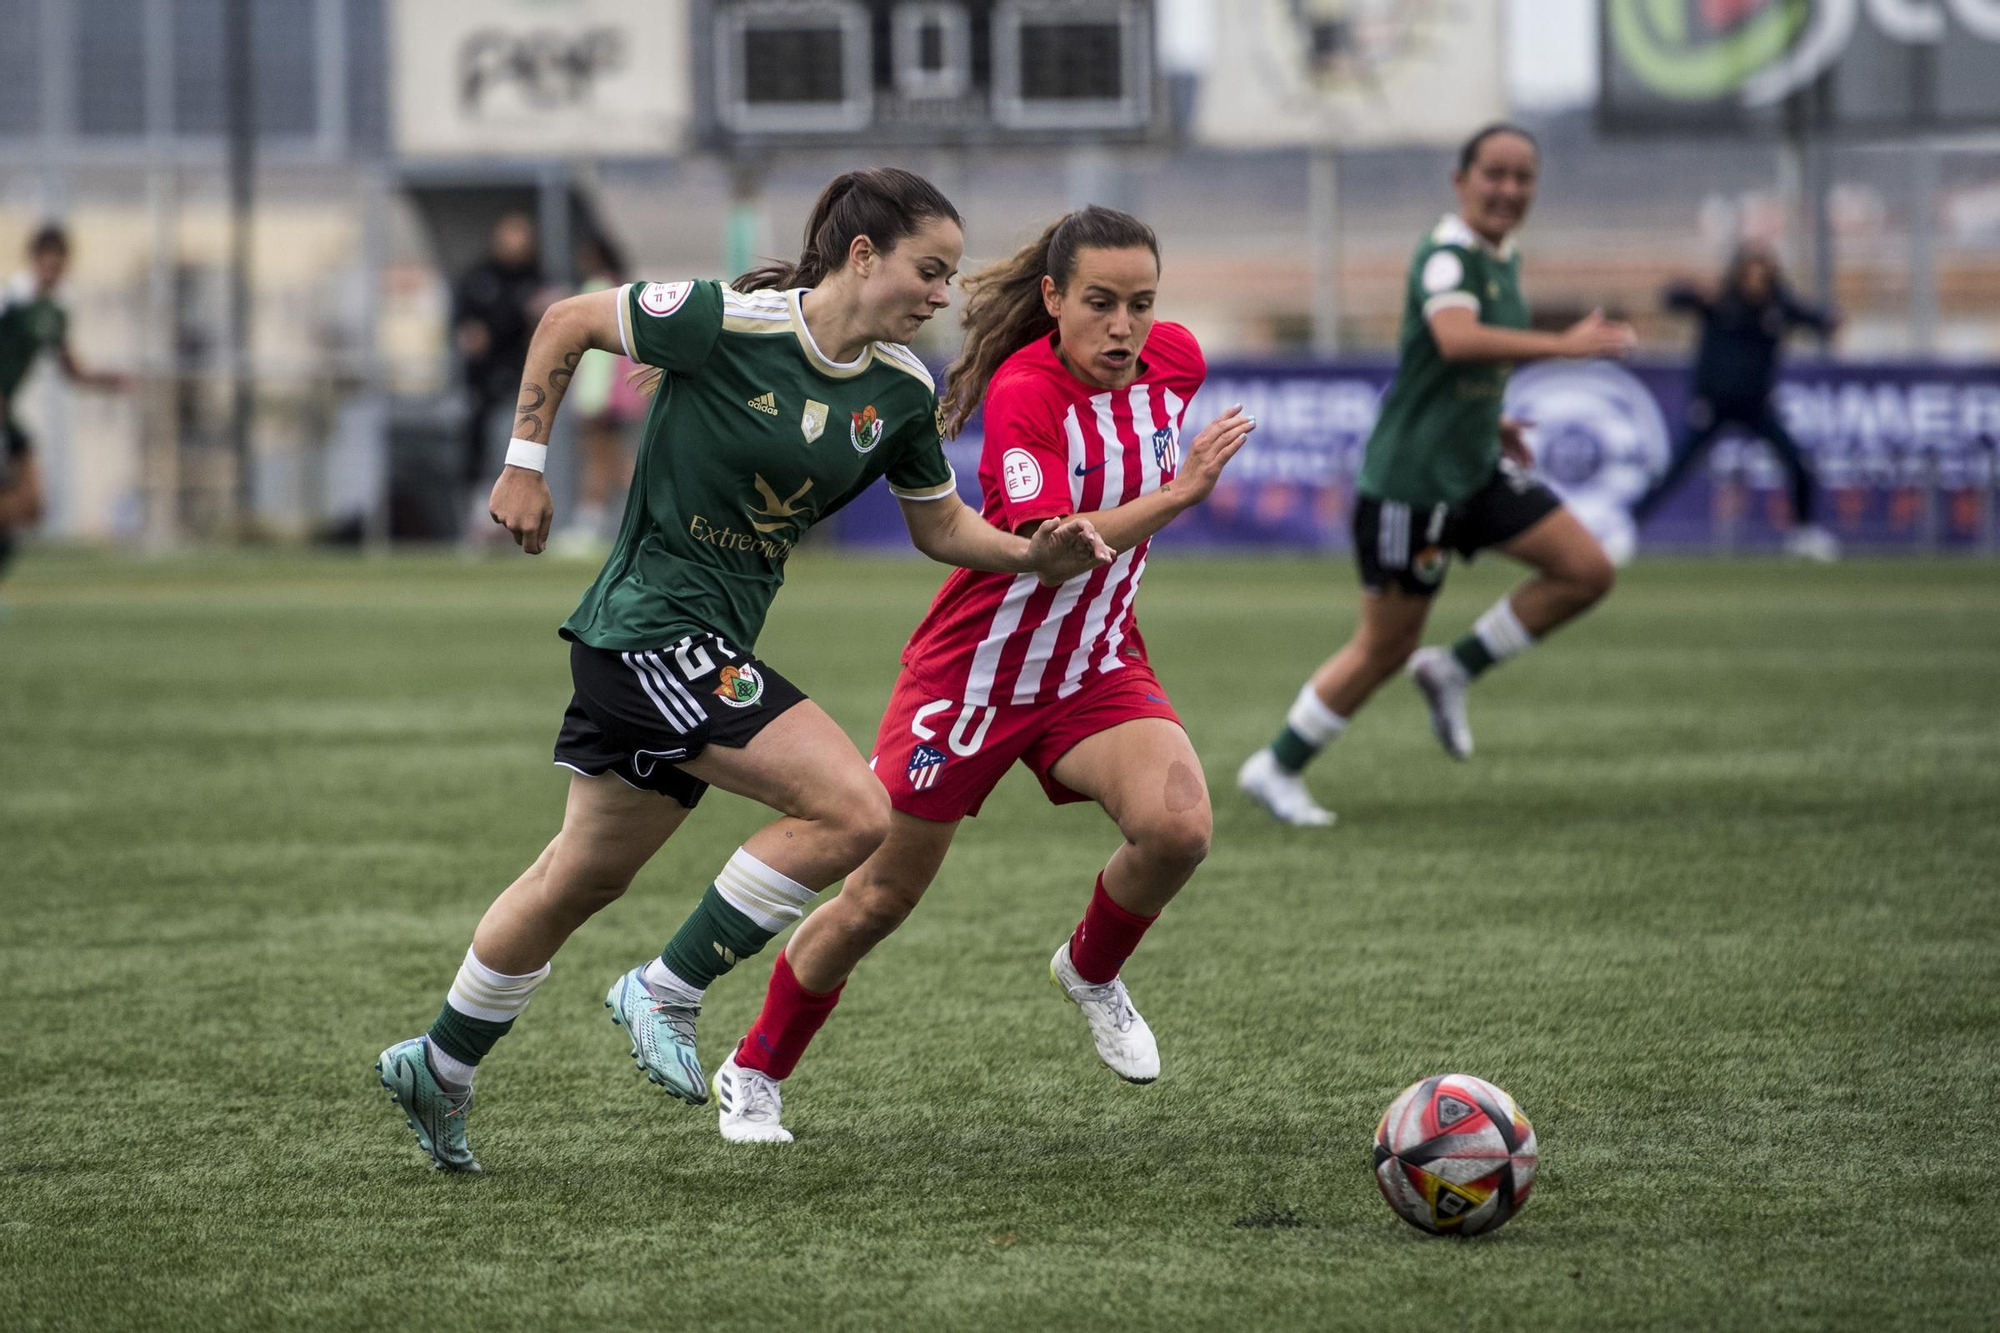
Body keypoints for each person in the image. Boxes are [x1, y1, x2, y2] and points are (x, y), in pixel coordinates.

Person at [375, 168, 1114, 1173]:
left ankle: (442, 1063)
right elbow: (566, 320)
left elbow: (937, 524)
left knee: (578, 875)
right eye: (927, 270)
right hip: (647, 627)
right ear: (863, 255)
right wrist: (523, 462)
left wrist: (1034, 553)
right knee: (853, 811)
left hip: (693, 646)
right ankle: (666, 990)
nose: (941, 294)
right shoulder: (728, 321)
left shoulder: (897, 392)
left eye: (948, 277)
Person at [699, 206, 1257, 1144]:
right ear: (1053, 298)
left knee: (1179, 827)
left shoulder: (1179, 360)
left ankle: (1090, 967)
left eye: (1141, 304)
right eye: (1100, 303)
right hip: (975, 676)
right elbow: (1057, 549)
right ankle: (753, 1067)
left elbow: (1102, 557)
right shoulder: (1025, 390)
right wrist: (1178, 493)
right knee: (879, 899)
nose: (1124, 327)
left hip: (1093, 663)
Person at [1237, 123, 1635, 828]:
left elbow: (1446, 365)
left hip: (1473, 467)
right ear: (1461, 181)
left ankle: (1454, 667)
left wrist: (1489, 421)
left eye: (1523, 178)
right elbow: (1454, 338)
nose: (1509, 190)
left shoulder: (1500, 254)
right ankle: (1276, 765)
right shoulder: (1448, 256)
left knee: (1587, 570)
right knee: (1384, 646)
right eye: (1495, 175)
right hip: (1411, 486)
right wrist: (1561, 345)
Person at [1634, 242, 1841, 561]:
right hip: (1713, 406)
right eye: (1750, 274)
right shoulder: (1720, 302)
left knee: (1797, 463)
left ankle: (1803, 533)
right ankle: (1630, 526)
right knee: (1674, 469)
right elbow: (1671, 298)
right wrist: (1693, 292)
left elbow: (1816, 319)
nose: (1756, 281)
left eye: (1763, 274)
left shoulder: (1777, 307)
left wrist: (1828, 321)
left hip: (1756, 406)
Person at [0, 225, 128, 589]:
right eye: (46, 263)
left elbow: (72, 370)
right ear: (34, 261)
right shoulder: (10, 299)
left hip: (7, 419)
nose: (51, 271)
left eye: (58, 264)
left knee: (29, 507)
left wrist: (109, 382)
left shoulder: (55, 312)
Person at [451, 212, 546, 538]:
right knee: (479, 445)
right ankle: (480, 519)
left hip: (523, 382)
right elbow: (464, 326)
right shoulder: (479, 277)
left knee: (515, 447)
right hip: (481, 382)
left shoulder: (536, 279)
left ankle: (518, 520)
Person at [551, 240, 645, 553]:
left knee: (600, 460)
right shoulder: (624, 289)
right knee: (611, 460)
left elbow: (595, 356)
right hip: (615, 394)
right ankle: (606, 519)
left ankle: (591, 523)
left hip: (600, 395)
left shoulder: (598, 289)